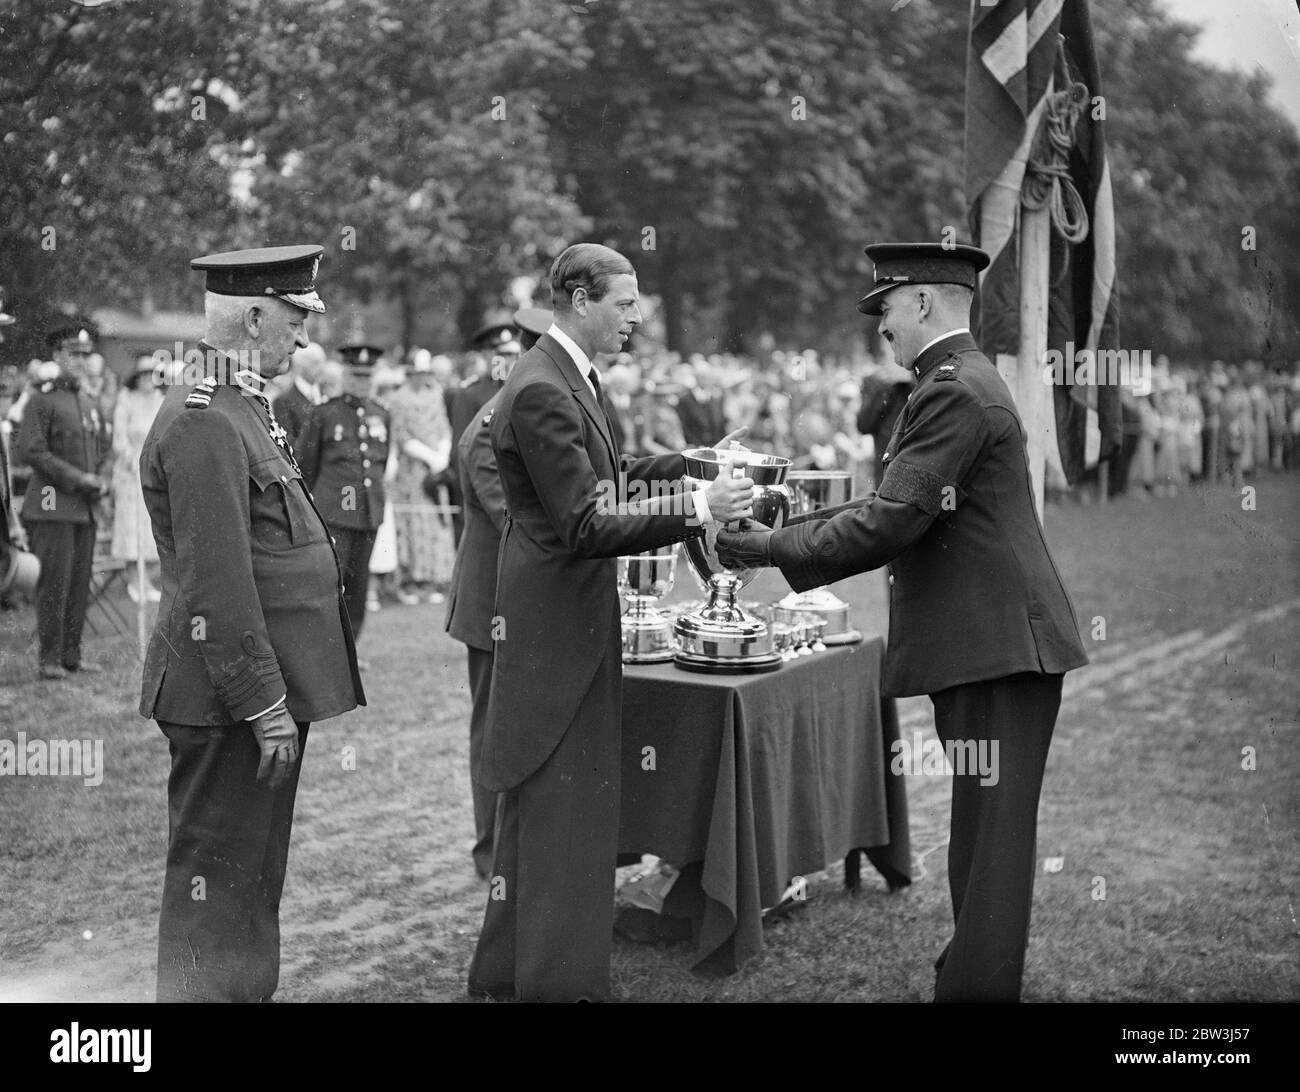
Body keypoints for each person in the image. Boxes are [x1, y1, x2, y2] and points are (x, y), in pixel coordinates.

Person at [716, 242, 1089, 1003]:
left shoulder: (953, 390)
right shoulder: (950, 384)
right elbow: (893, 502)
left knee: (991, 848)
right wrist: (796, 528)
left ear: (923, 301)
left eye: (885, 307)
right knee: (984, 841)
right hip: (992, 648)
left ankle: (976, 991)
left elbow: (891, 520)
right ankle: (972, 978)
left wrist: (765, 545)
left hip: (999, 651)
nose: (881, 324)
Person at [467, 242, 754, 1002]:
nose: (637, 318)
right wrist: (697, 507)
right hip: (553, 625)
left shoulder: (568, 377)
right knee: (564, 811)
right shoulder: (542, 388)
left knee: (549, 807)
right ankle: (558, 986)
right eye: (625, 304)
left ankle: (504, 971)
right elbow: (586, 522)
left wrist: (691, 463)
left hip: (565, 620)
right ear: (579, 300)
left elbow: (613, 478)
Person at [139, 244, 364, 1002]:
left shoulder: (241, 404)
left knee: (250, 885)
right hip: (226, 699)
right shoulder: (206, 417)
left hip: (248, 697)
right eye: (297, 319)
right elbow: (218, 584)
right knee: (215, 894)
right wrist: (265, 705)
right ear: (256, 314)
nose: (303, 339)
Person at [443, 344, 521, 880]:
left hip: (519, 601)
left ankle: (515, 845)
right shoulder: (489, 428)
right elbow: (513, 521)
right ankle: (492, 852)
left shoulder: (517, 415)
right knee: (492, 730)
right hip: (491, 602)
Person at [17, 323, 111, 680]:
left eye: (86, 355)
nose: (81, 362)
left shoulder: (87, 401)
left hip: (84, 509)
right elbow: (31, 450)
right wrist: (79, 479)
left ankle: (72, 655)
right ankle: (50, 659)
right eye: (73, 354)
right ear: (57, 356)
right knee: (54, 585)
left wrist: (99, 476)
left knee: (77, 585)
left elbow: (98, 448)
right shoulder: (42, 400)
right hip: (51, 505)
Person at [294, 344, 391, 648]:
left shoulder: (382, 414)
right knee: (329, 586)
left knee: (358, 590)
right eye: (356, 375)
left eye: (367, 376)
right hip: (334, 515)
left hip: (368, 514)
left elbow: (380, 463)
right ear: (345, 375)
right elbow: (306, 466)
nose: (362, 381)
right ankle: (325, 653)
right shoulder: (324, 413)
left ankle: (350, 654)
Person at [111, 355, 165, 600]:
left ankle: (146, 582)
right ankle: (134, 581)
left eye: (151, 375)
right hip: (130, 471)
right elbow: (119, 439)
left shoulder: (160, 401)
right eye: (143, 375)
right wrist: (129, 459)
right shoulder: (126, 401)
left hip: (153, 469)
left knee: (150, 525)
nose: (148, 380)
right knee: (132, 525)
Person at [271, 341, 326, 446]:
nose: (322, 368)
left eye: (323, 362)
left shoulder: (327, 393)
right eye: (316, 363)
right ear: (301, 366)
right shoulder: (283, 400)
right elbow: (288, 444)